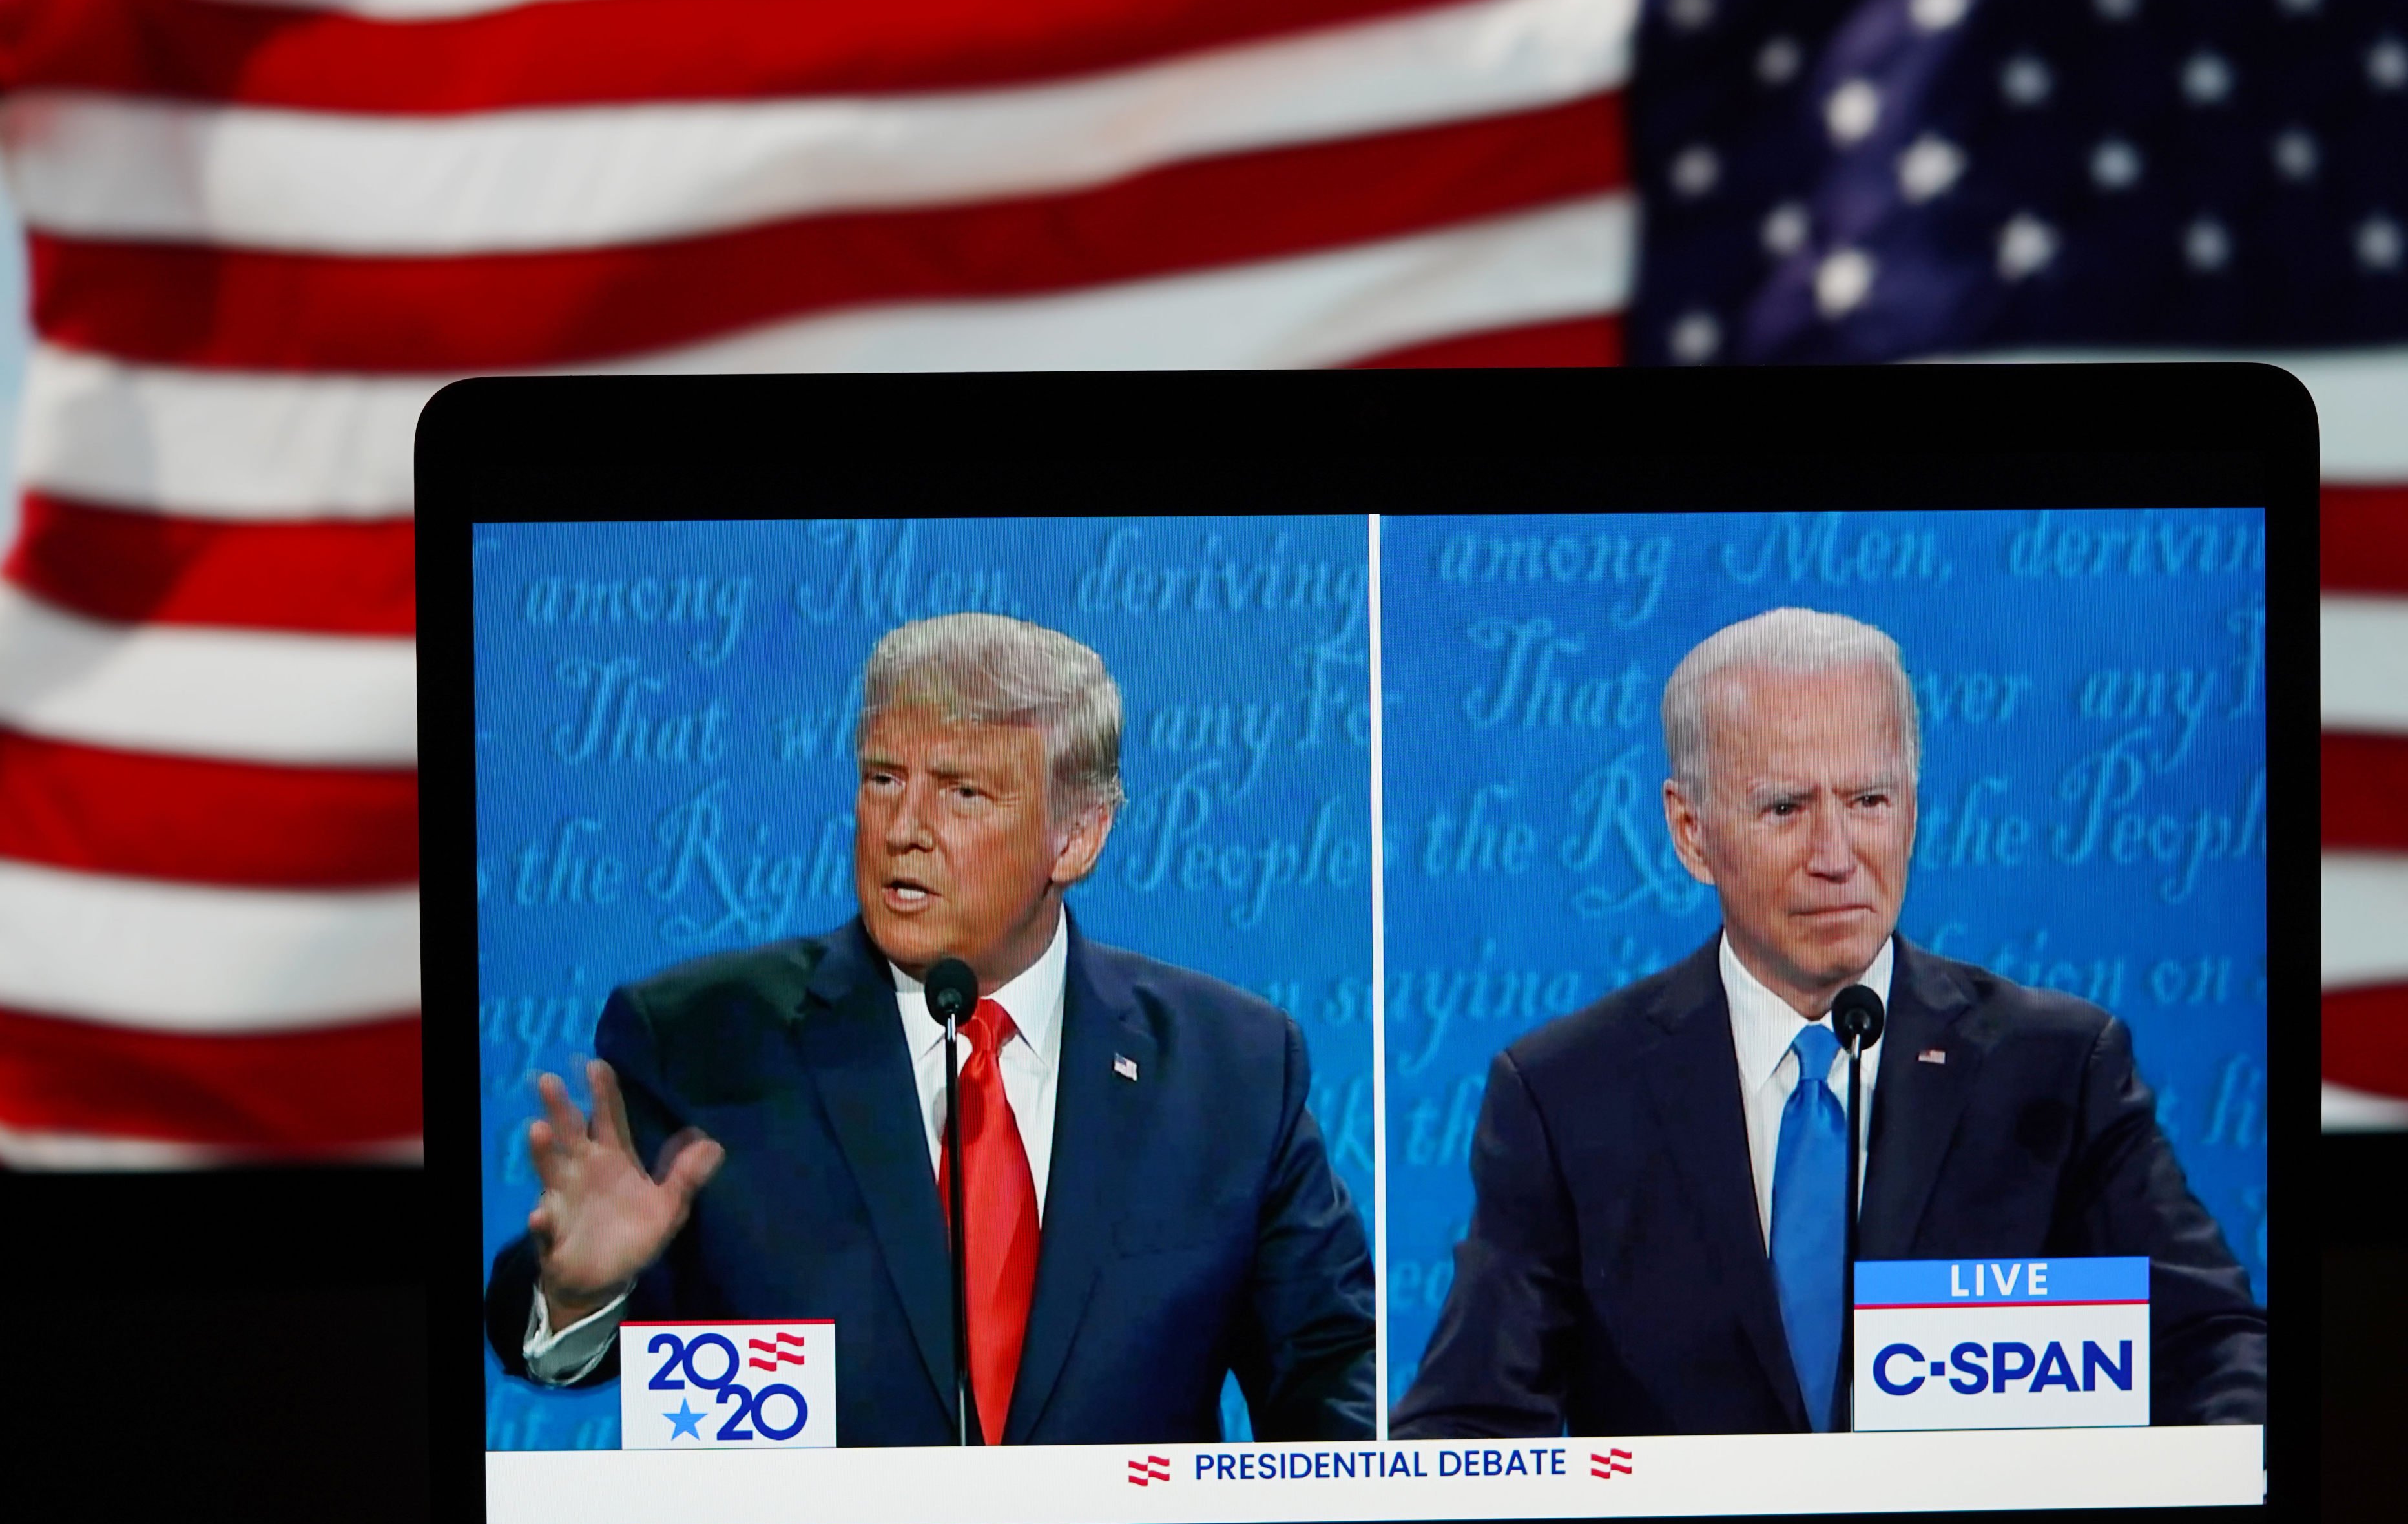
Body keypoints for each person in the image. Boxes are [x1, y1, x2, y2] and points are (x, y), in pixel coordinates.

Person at [484, 612, 1375, 1445]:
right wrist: (579, 1293)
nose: (903, 829)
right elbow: (561, 1349)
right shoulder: (702, 1041)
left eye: (962, 791)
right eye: (883, 779)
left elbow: (1330, 1371)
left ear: (1077, 838)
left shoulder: (1232, 1067)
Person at [1392, 607, 2265, 1437]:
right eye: (1785, 808)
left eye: (1869, 801)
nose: (1837, 856)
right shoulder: (1567, 1094)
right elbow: (1472, 1420)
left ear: (1914, 809)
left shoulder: (2058, 1069)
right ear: (1691, 832)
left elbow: (2215, 1348)